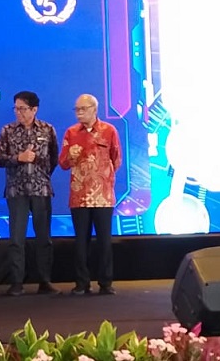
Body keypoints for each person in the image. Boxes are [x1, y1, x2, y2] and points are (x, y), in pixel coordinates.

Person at [0, 90, 60, 296]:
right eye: (16, 108)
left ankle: (45, 280)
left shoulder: (48, 129)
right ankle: (16, 282)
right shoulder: (7, 130)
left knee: (44, 238)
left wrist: (40, 172)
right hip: (17, 190)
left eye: (22, 109)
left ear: (34, 109)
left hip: (41, 189)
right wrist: (18, 158)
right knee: (16, 238)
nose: (18, 113)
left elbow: (54, 159)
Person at [58, 93, 122, 295]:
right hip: (79, 195)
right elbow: (62, 163)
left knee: (104, 241)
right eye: (76, 109)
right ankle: (82, 283)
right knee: (81, 241)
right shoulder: (71, 133)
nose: (79, 113)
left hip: (103, 196)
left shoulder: (109, 131)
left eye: (83, 109)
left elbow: (116, 159)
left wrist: (103, 177)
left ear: (94, 109)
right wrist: (70, 156)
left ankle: (106, 283)